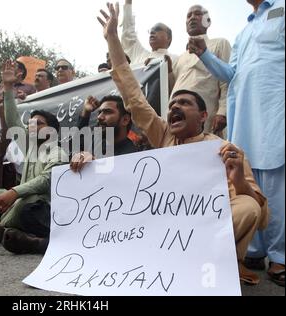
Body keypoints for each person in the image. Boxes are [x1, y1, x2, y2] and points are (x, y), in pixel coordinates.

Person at [98, 2, 269, 285]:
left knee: (247, 207)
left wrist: (238, 178)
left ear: (203, 116)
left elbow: (258, 213)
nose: (175, 106)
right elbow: (131, 91)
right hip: (163, 227)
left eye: (185, 103)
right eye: (173, 102)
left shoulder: (224, 149)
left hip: (204, 232)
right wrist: (112, 39)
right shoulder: (164, 135)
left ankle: (216, 263)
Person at [189, 0, 285, 287]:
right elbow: (230, 74)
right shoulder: (243, 31)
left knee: (275, 182)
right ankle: (253, 251)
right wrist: (204, 54)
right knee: (245, 176)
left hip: (275, 106)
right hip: (243, 112)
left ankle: (280, 255)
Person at [0, 60, 68, 255]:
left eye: (39, 124)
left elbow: (46, 181)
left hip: (39, 206)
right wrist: (9, 86)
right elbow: (12, 120)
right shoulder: (29, 145)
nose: (32, 127)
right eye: (30, 124)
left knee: (24, 203)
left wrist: (13, 192)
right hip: (18, 198)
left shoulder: (57, 152)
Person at [171, 5, 231, 137]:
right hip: (178, 120)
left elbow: (227, 81)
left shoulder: (219, 43)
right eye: (189, 16)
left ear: (207, 21)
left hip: (205, 118)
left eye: (197, 14)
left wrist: (223, 111)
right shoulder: (179, 58)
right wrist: (158, 65)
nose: (192, 18)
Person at [121, 0, 177, 66]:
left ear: (169, 38)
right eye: (150, 31)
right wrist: (128, 3)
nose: (152, 32)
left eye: (158, 29)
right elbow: (128, 33)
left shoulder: (176, 59)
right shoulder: (139, 54)